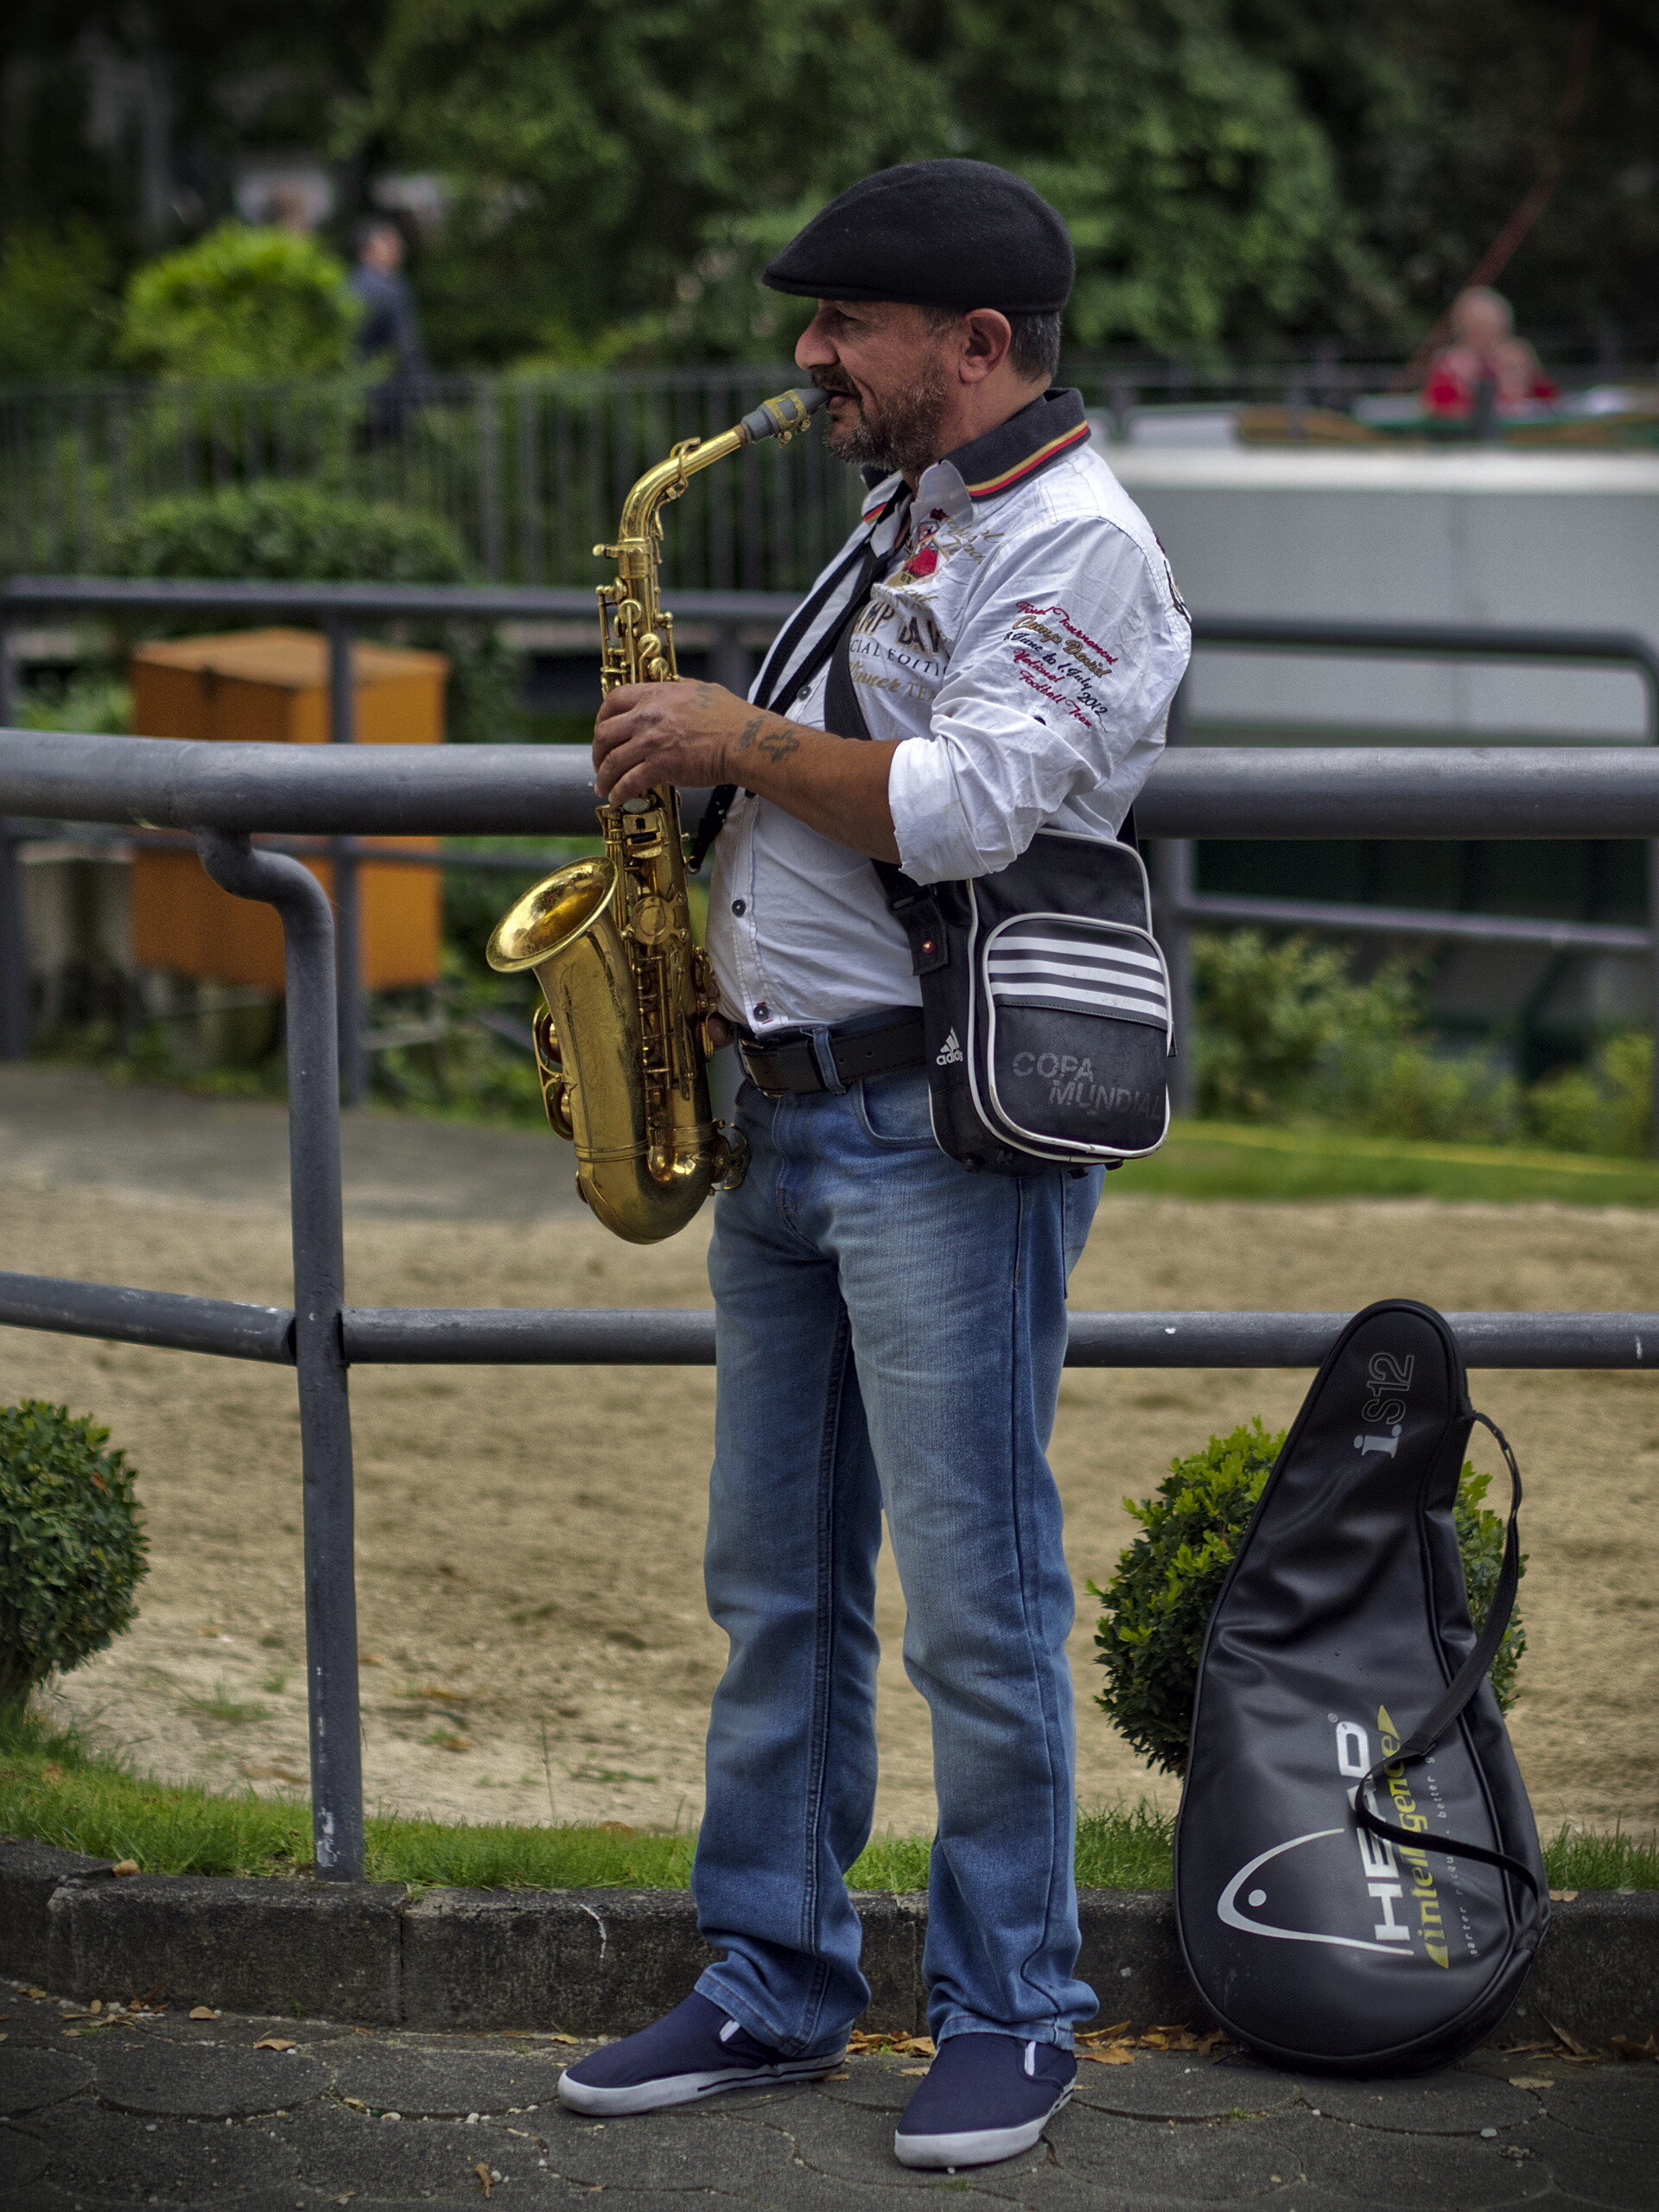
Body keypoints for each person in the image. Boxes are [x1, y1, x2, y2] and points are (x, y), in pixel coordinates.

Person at [557, 159, 1191, 2171]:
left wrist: (723, 739)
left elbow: (970, 805)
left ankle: (1014, 2008)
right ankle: (770, 1979)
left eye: (847, 322)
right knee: (776, 1590)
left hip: (934, 1135)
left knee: (975, 1606)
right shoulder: (908, 514)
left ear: (975, 344)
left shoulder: (1076, 545)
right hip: (784, 1117)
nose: (808, 353)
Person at [1422, 287, 1558, 424]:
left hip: (1518, 432)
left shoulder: (1517, 356)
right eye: (1475, 324)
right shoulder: (1450, 363)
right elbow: (1438, 407)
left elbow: (1549, 399)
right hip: (1466, 434)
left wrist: (1519, 376)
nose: (1480, 331)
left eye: (1486, 324)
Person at [349, 219, 430, 434]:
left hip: (357, 390)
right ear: (368, 252)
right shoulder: (393, 288)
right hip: (393, 393)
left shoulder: (349, 285)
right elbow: (405, 342)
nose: (398, 253)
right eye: (391, 247)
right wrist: (421, 389)